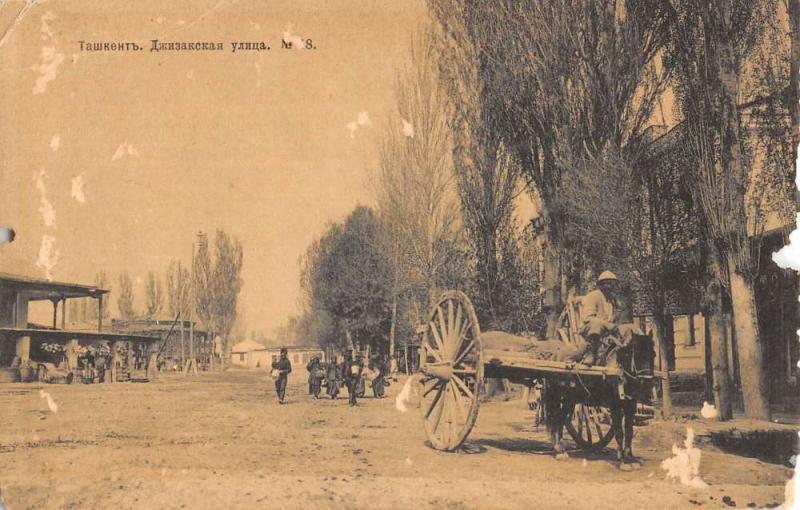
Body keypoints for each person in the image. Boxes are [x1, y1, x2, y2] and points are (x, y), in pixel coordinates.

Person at [569, 270, 620, 367]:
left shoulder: (612, 301)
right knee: (596, 324)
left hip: (607, 332)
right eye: (607, 284)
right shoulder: (593, 296)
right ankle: (590, 353)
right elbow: (588, 318)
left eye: (612, 284)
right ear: (600, 285)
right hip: (589, 331)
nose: (610, 287)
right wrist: (608, 325)